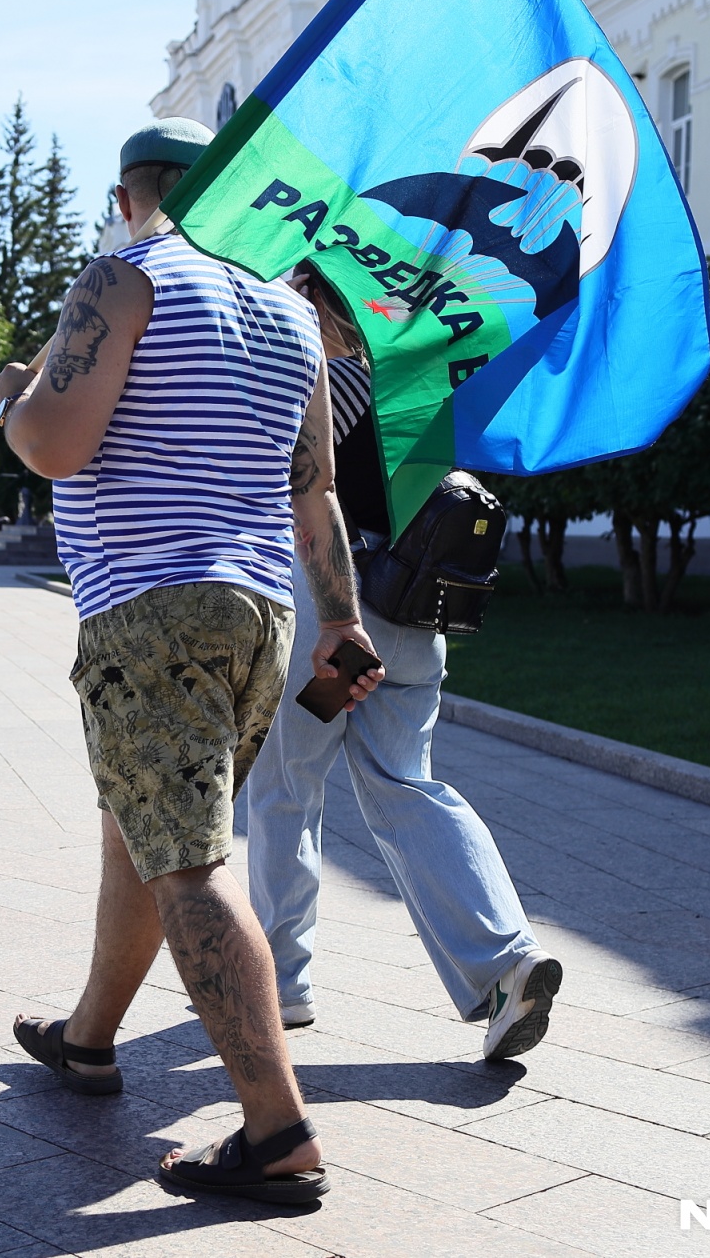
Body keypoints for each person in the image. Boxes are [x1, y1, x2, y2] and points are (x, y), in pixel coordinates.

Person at [0, 118, 382, 1207]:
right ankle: (87, 1040)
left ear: (128, 198)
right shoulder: (287, 312)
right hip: (259, 612)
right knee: (147, 827)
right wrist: (341, 621)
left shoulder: (122, 278)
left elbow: (54, 443)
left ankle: (275, 1131)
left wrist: (9, 401)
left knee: (188, 864)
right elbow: (316, 492)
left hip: (150, 611)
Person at [242, 270, 560, 1061]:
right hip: (418, 626)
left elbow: (291, 489)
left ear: (317, 297)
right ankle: (507, 958)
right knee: (405, 785)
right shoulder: (428, 386)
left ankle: (281, 981)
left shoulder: (329, 381)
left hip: (338, 622)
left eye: (293, 285)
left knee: (288, 786)